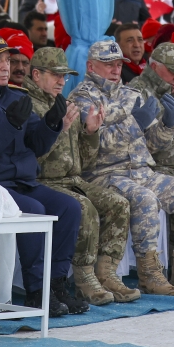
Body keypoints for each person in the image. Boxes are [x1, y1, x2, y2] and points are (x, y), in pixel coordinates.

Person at [0, 33, 84, 316]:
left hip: (21, 181)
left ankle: (55, 283)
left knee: (69, 207)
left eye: (7, 60)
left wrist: (51, 123)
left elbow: (36, 146)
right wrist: (8, 124)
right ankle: (35, 292)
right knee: (33, 210)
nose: (6, 66)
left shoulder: (16, 95)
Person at [70, 39, 174, 295]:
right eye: (109, 64)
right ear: (90, 65)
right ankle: (149, 273)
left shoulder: (133, 95)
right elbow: (95, 143)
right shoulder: (82, 97)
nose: (116, 69)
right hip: (105, 173)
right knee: (145, 199)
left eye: (119, 64)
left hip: (142, 171)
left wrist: (168, 125)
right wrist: (134, 123)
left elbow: (152, 144)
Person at [24, 47, 135, 305]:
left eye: (65, 76)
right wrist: (57, 129)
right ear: (37, 75)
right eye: (56, 75)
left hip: (73, 180)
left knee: (118, 203)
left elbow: (84, 161)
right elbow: (31, 155)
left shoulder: (63, 104)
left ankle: (106, 272)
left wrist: (90, 132)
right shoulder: (28, 105)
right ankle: (83, 278)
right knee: (84, 208)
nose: (62, 81)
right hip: (44, 182)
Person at [128, 43, 174, 189]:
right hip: (156, 172)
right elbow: (135, 147)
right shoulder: (137, 92)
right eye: (173, 72)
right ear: (155, 67)